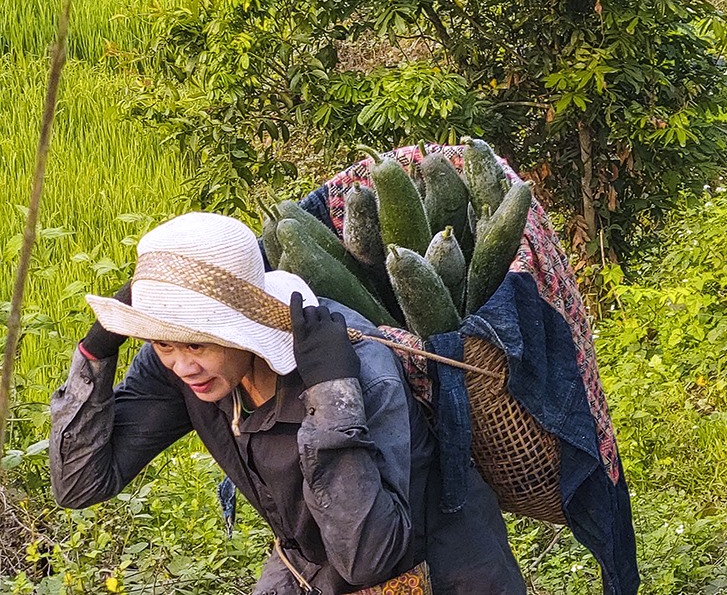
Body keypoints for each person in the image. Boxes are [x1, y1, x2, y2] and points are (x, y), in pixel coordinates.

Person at [49, 212, 526, 595]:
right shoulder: (180, 368)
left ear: (240, 328)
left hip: (441, 569)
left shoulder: (356, 368)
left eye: (196, 344)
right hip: (311, 567)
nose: (181, 365)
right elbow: (79, 485)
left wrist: (332, 396)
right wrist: (95, 352)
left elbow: (368, 558)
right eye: (163, 343)